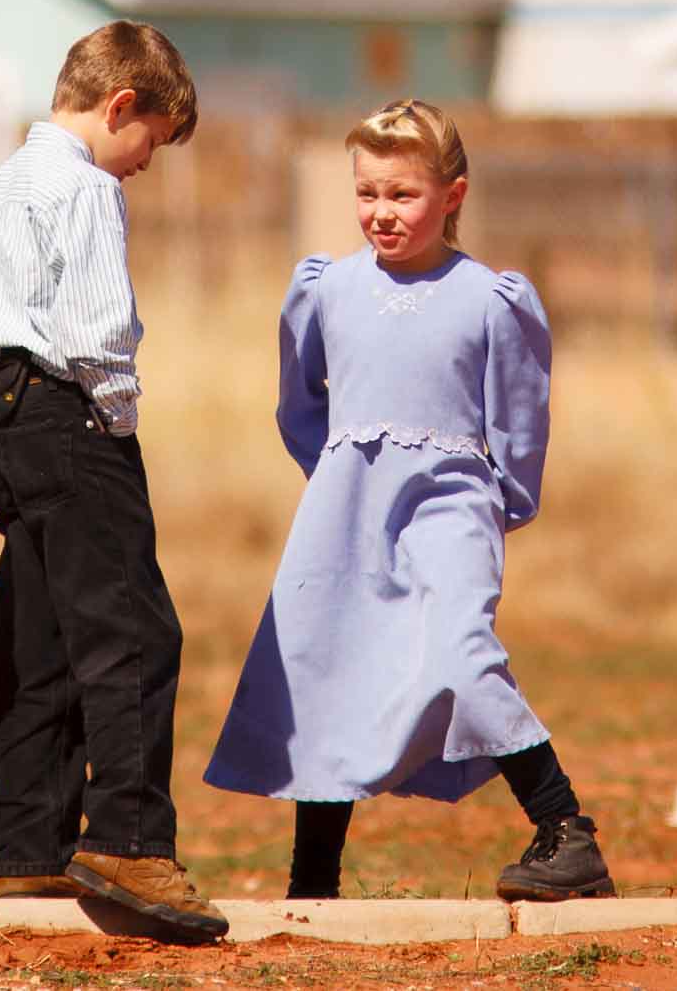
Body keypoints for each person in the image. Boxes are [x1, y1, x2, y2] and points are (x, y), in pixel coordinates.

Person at [204, 99, 615, 903]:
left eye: (402, 195)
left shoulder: (489, 298)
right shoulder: (327, 289)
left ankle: (565, 831)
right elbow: (300, 409)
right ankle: (312, 883)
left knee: (462, 653)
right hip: (343, 513)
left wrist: (501, 504)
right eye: (367, 194)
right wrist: (338, 476)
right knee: (329, 669)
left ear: (452, 196)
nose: (381, 214)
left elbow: (521, 422)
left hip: (450, 509)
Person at [0, 20, 227, 940]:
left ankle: (30, 845)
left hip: (9, 417)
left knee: (41, 638)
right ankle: (130, 841)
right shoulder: (84, 187)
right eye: (151, 139)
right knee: (134, 634)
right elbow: (99, 326)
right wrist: (116, 417)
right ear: (120, 107)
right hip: (74, 418)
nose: (147, 161)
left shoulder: (1, 184)